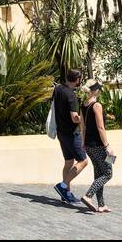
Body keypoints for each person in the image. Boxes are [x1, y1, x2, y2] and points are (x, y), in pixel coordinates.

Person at [51, 69, 87, 204]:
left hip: (61, 132)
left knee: (68, 162)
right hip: (72, 134)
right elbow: (74, 118)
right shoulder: (71, 95)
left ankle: (65, 194)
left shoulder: (58, 89)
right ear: (77, 79)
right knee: (83, 161)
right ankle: (63, 185)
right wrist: (84, 119)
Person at [80, 80, 113, 213]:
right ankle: (88, 196)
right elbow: (101, 127)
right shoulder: (96, 105)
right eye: (99, 89)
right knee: (108, 173)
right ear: (96, 91)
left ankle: (101, 204)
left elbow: (82, 126)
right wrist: (107, 146)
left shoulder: (83, 104)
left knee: (99, 173)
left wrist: (83, 142)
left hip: (88, 145)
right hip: (99, 145)